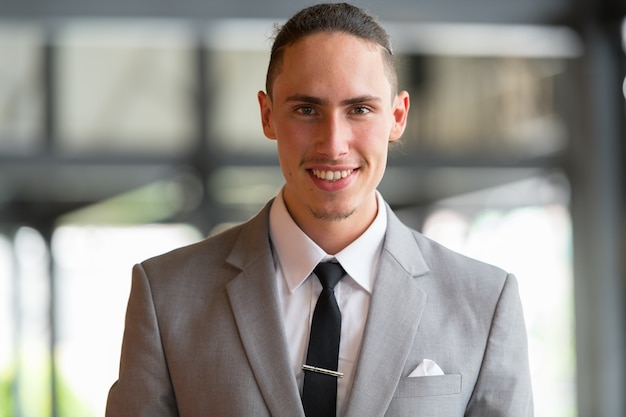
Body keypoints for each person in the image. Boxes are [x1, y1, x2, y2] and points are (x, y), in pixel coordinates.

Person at [105, 3, 533, 416]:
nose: (333, 144)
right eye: (306, 109)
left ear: (398, 116)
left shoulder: (484, 302)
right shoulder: (165, 296)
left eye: (360, 109)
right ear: (268, 115)